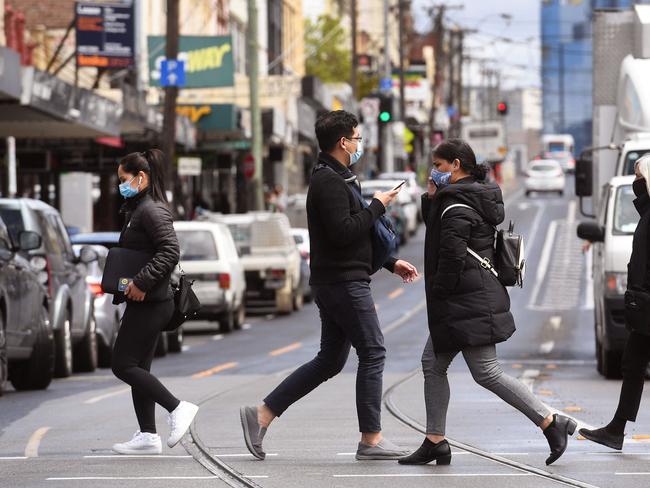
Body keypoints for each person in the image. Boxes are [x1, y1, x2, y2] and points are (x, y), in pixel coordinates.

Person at [240, 110, 419, 461]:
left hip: (339, 278)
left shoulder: (339, 177)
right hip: (343, 282)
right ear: (343, 142)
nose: (358, 144)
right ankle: (371, 438)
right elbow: (343, 232)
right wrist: (378, 206)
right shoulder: (328, 182)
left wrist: (389, 262)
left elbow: (350, 235)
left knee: (329, 361)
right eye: (357, 138)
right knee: (373, 351)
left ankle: (262, 415)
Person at [399, 139, 576, 467]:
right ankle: (434, 440)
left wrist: (438, 294)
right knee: (433, 364)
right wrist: (431, 196)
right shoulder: (466, 196)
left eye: (437, 166)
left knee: (486, 372)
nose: (433, 172)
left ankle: (551, 422)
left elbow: (451, 257)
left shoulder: (457, 206)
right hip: (470, 296)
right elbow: (438, 227)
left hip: (466, 301)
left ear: (455, 165)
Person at [111, 149, 199, 455]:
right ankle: (148, 435)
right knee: (140, 368)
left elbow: (169, 251)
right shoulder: (138, 210)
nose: (119, 184)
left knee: (122, 365)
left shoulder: (151, 211)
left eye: (123, 179)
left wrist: (140, 282)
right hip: (146, 301)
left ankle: (178, 408)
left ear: (141, 178)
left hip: (153, 301)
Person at [579, 154, 650, 451]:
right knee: (632, 364)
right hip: (644, 304)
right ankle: (616, 430)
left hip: (648, 302)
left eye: (639, 177)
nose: (635, 183)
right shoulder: (647, 213)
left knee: (633, 364)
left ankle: (616, 429)